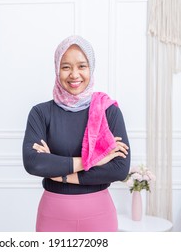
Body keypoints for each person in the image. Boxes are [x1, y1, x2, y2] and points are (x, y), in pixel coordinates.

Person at [22, 35, 130, 232]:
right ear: (57, 69)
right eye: (66, 67)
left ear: (91, 68)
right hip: (53, 216)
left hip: (99, 215)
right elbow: (33, 162)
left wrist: (60, 174)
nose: (74, 74)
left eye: (82, 66)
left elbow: (119, 169)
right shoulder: (40, 113)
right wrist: (95, 159)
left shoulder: (108, 111)